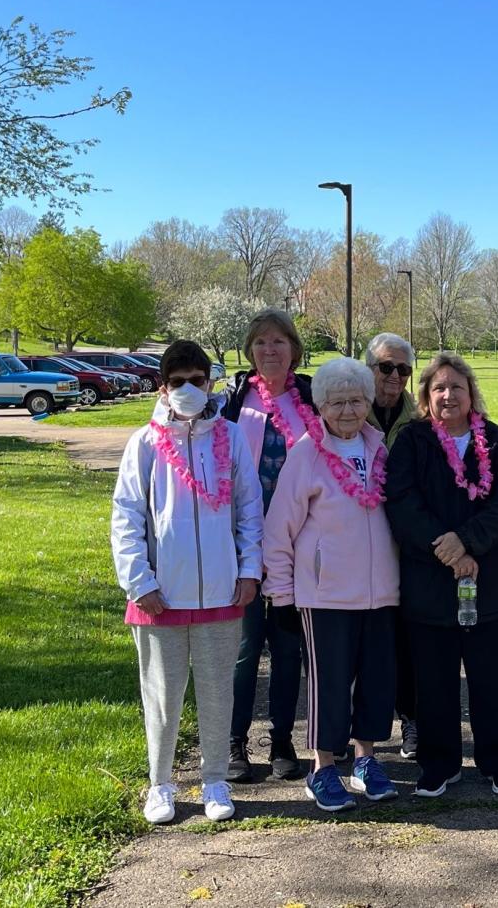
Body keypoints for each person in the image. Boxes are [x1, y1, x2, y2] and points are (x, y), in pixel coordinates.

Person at [111, 340, 264, 824]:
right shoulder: (145, 443)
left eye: (196, 380)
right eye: (177, 382)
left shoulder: (232, 438)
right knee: (161, 693)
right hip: (162, 596)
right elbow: (127, 517)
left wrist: (248, 569)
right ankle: (160, 784)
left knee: (219, 691)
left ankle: (215, 779)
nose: (188, 389)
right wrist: (140, 582)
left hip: (221, 591)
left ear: (210, 382)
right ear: (163, 386)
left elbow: (249, 509)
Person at [384, 352, 498, 797]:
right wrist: (446, 550)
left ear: (471, 395)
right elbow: (402, 504)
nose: (448, 395)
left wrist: (467, 543)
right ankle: (439, 763)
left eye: (457, 387)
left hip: (488, 583)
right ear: (426, 396)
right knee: (434, 683)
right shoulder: (411, 441)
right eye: (439, 388)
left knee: (492, 681)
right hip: (429, 585)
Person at [262, 357, 400, 812]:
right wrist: (281, 594)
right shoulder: (306, 453)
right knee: (330, 684)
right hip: (325, 594)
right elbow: (279, 529)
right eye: (337, 402)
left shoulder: (378, 448)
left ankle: (366, 760)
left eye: (357, 401)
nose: (348, 411)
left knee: (377, 682)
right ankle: (321, 768)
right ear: (321, 405)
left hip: (381, 592)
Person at [220, 309, 313, 783]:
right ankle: (234, 740)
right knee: (243, 647)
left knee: (289, 646)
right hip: (244, 543)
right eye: (260, 343)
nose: (269, 350)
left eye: (279, 342)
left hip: (298, 542)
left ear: (294, 349)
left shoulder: (310, 399)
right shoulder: (235, 402)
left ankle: (282, 740)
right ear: (250, 351)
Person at [364, 332, 420, 759]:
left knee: (406, 640)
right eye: (386, 367)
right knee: (354, 641)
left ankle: (411, 720)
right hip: (354, 546)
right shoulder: (345, 413)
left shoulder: (418, 423)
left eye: (403, 369)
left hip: (403, 548)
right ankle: (348, 729)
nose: (395, 376)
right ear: (369, 369)